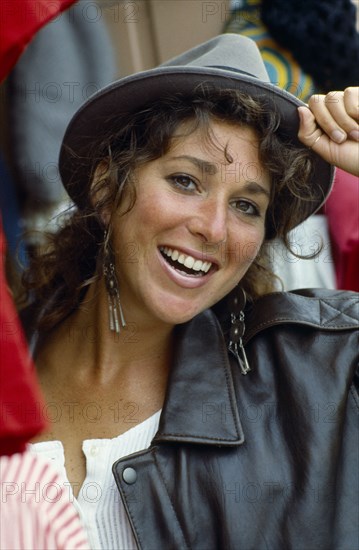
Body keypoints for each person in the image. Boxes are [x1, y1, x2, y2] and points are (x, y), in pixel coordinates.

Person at [22, 35, 358, 549]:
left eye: (248, 206)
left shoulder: (315, 369)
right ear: (107, 187)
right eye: (185, 181)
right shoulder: (12, 359)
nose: (214, 227)